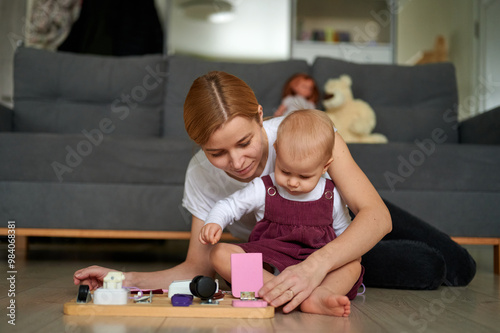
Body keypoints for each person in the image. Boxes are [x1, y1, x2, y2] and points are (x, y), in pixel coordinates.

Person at [74, 71, 476, 314]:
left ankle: (311, 281)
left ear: (261, 117)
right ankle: (302, 292)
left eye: (246, 142)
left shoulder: (302, 134)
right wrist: (123, 280)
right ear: (199, 147)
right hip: (280, 253)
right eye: (217, 152)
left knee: (461, 266)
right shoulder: (199, 176)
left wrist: (315, 267)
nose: (237, 161)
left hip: (340, 220)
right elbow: (197, 267)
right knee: (428, 268)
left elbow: (375, 216)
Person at [199, 109, 363, 317]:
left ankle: (321, 294)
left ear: (325, 166)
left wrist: (340, 260)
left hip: (316, 263)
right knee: (219, 253)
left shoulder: (332, 195)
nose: (292, 183)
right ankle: (283, 291)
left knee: (353, 263)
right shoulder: (263, 187)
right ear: (277, 151)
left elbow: (345, 235)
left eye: (304, 176)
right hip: (270, 260)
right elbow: (229, 206)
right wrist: (214, 222)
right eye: (284, 171)